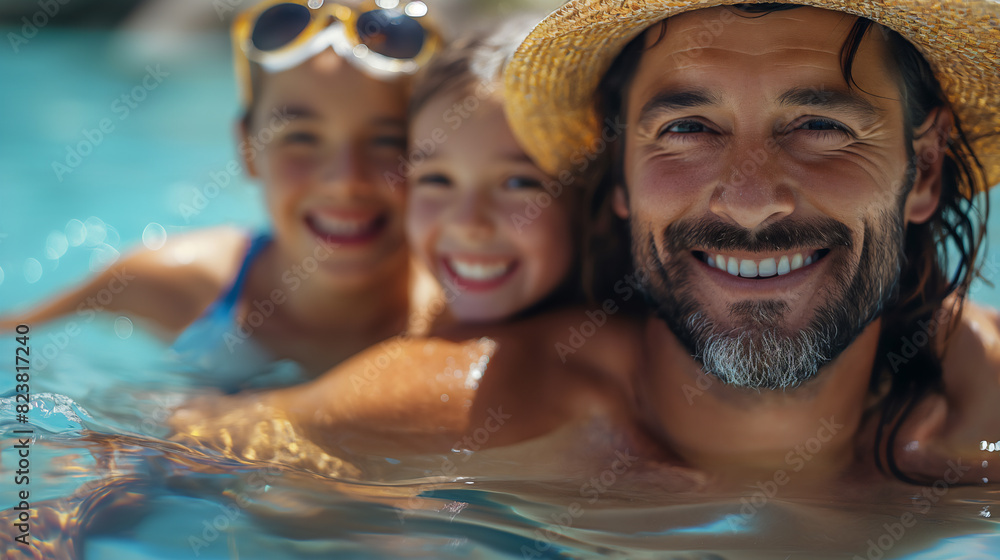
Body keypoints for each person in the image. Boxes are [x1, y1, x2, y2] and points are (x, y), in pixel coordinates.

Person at [502, 0, 1000, 484]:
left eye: (821, 126)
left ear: (926, 171)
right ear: (621, 171)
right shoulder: (474, 420)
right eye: (687, 128)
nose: (750, 202)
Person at [167, 21, 666, 481]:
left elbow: (180, 449)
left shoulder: (473, 370)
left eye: (519, 182)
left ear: (599, 200)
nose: (467, 223)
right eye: (436, 178)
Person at [1, 1, 442, 386]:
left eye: (389, 141)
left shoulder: (461, 319)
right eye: (302, 138)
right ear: (248, 149)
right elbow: (15, 349)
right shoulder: (167, 283)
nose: (346, 180)